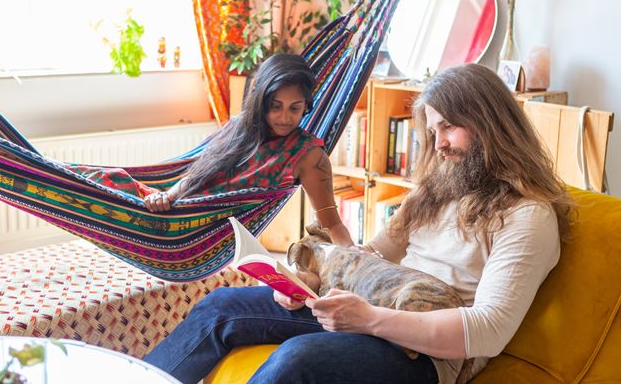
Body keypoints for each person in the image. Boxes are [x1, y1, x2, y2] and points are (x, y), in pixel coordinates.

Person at [143, 63, 573, 384]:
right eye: (434, 130)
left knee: (299, 361)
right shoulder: (438, 188)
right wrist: (310, 279)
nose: (440, 144)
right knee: (220, 308)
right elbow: (374, 256)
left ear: (493, 125)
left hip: (425, 354)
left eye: (451, 127)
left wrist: (368, 319)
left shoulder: (527, 216)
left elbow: (488, 330)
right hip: (373, 305)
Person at [144, 53, 353, 246]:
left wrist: (357, 260)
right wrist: (167, 196)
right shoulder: (240, 127)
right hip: (172, 213)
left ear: (306, 106)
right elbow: (199, 174)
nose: (284, 117)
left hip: (200, 235)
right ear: (261, 101)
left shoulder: (308, 154)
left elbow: (332, 224)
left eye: (295, 108)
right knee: (114, 180)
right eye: (275, 106)